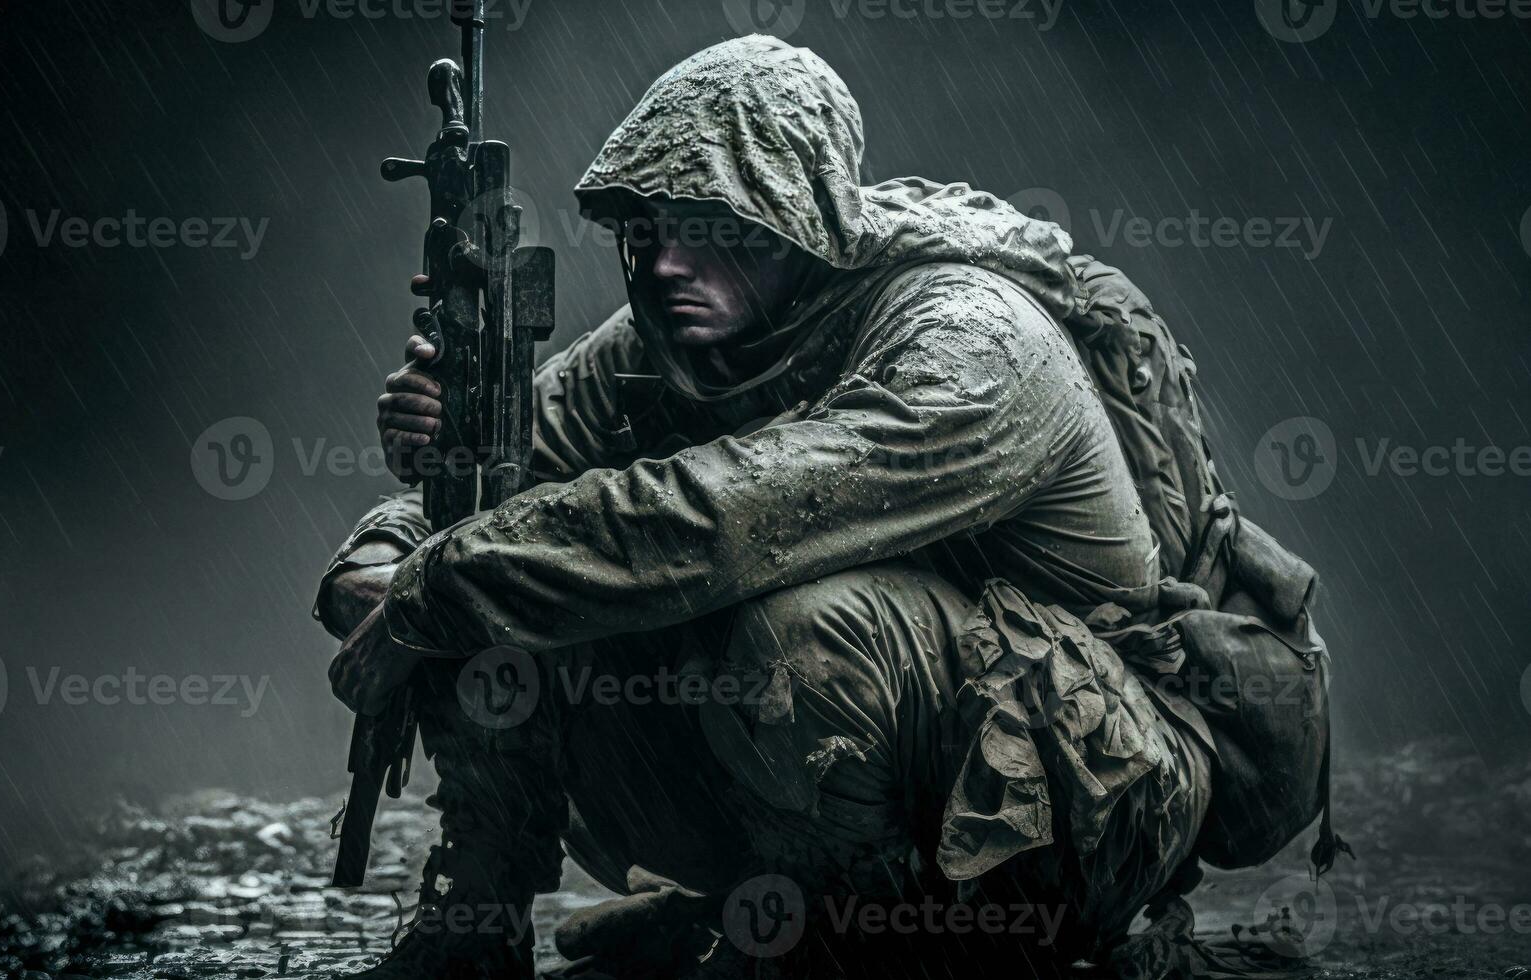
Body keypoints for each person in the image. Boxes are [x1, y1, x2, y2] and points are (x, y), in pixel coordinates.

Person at [318, 34, 1215, 979]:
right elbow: (499, 502)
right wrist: (397, 532)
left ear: (801, 221)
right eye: (645, 229)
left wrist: (434, 584)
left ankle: (832, 948)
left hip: (1084, 796)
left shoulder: (974, 340)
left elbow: (717, 522)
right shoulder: (672, 340)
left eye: (712, 226)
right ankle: (480, 925)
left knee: (797, 630)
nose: (665, 263)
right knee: (521, 570)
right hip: (865, 777)